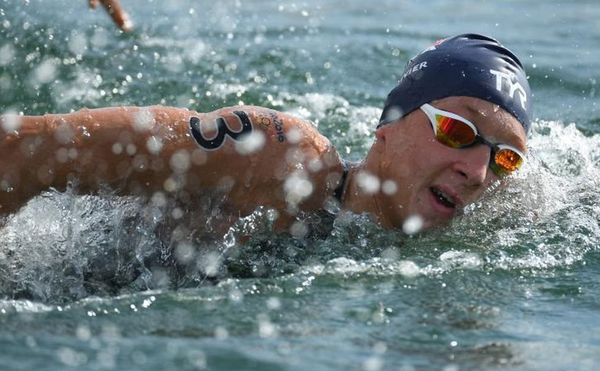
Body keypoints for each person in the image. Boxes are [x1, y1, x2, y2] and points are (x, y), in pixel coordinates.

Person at [0, 33, 532, 235]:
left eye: (505, 159)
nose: (478, 172)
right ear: (389, 124)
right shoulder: (274, 155)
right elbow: (23, 148)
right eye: (458, 131)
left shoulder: (499, 225)